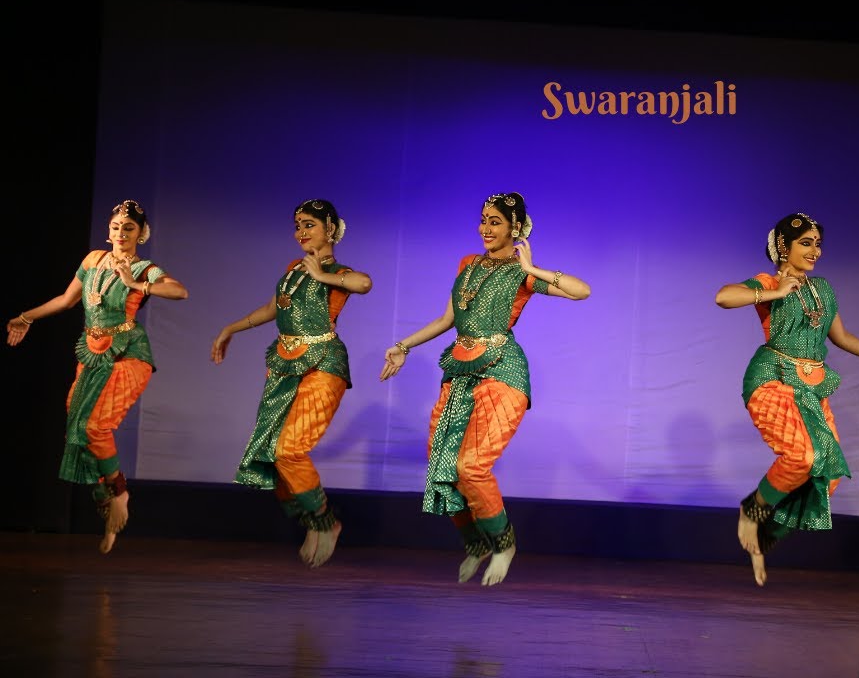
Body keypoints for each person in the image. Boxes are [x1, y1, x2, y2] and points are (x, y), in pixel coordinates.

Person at [380, 192, 590, 586]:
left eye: (495, 221)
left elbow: (582, 291)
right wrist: (404, 345)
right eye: (483, 220)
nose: (485, 228)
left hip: (502, 371)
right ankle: (475, 543)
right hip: (461, 371)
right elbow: (447, 319)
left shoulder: (523, 273)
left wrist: (533, 267)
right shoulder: (467, 264)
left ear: (515, 227)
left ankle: (504, 544)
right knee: (442, 466)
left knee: (471, 466)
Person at [715, 212, 859, 588]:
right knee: (801, 457)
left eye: (818, 243)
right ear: (784, 246)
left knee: (827, 477)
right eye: (806, 243)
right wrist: (774, 293)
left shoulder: (823, 289)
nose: (815, 250)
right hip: (772, 379)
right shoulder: (769, 281)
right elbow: (724, 297)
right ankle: (752, 509)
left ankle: (765, 540)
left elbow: (842, 337)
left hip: (811, 387)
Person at [6, 200, 189, 553]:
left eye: (129, 228)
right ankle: (106, 502)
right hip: (92, 352)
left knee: (95, 426)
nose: (121, 233)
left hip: (128, 354)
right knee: (77, 426)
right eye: (117, 226)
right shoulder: (92, 260)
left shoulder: (143, 267)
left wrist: (136, 285)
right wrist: (25, 317)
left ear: (141, 234)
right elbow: (65, 300)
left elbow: (179, 291)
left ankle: (119, 493)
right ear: (108, 231)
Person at [211, 199, 371, 568]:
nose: (301, 231)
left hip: (323, 364)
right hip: (284, 366)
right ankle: (313, 521)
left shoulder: (336, 271)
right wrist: (230, 329)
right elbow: (272, 310)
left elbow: (363, 283)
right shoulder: (292, 269)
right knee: (273, 453)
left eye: (310, 224)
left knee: (290, 449)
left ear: (330, 229)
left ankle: (327, 523)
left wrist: (324, 276)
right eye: (298, 225)